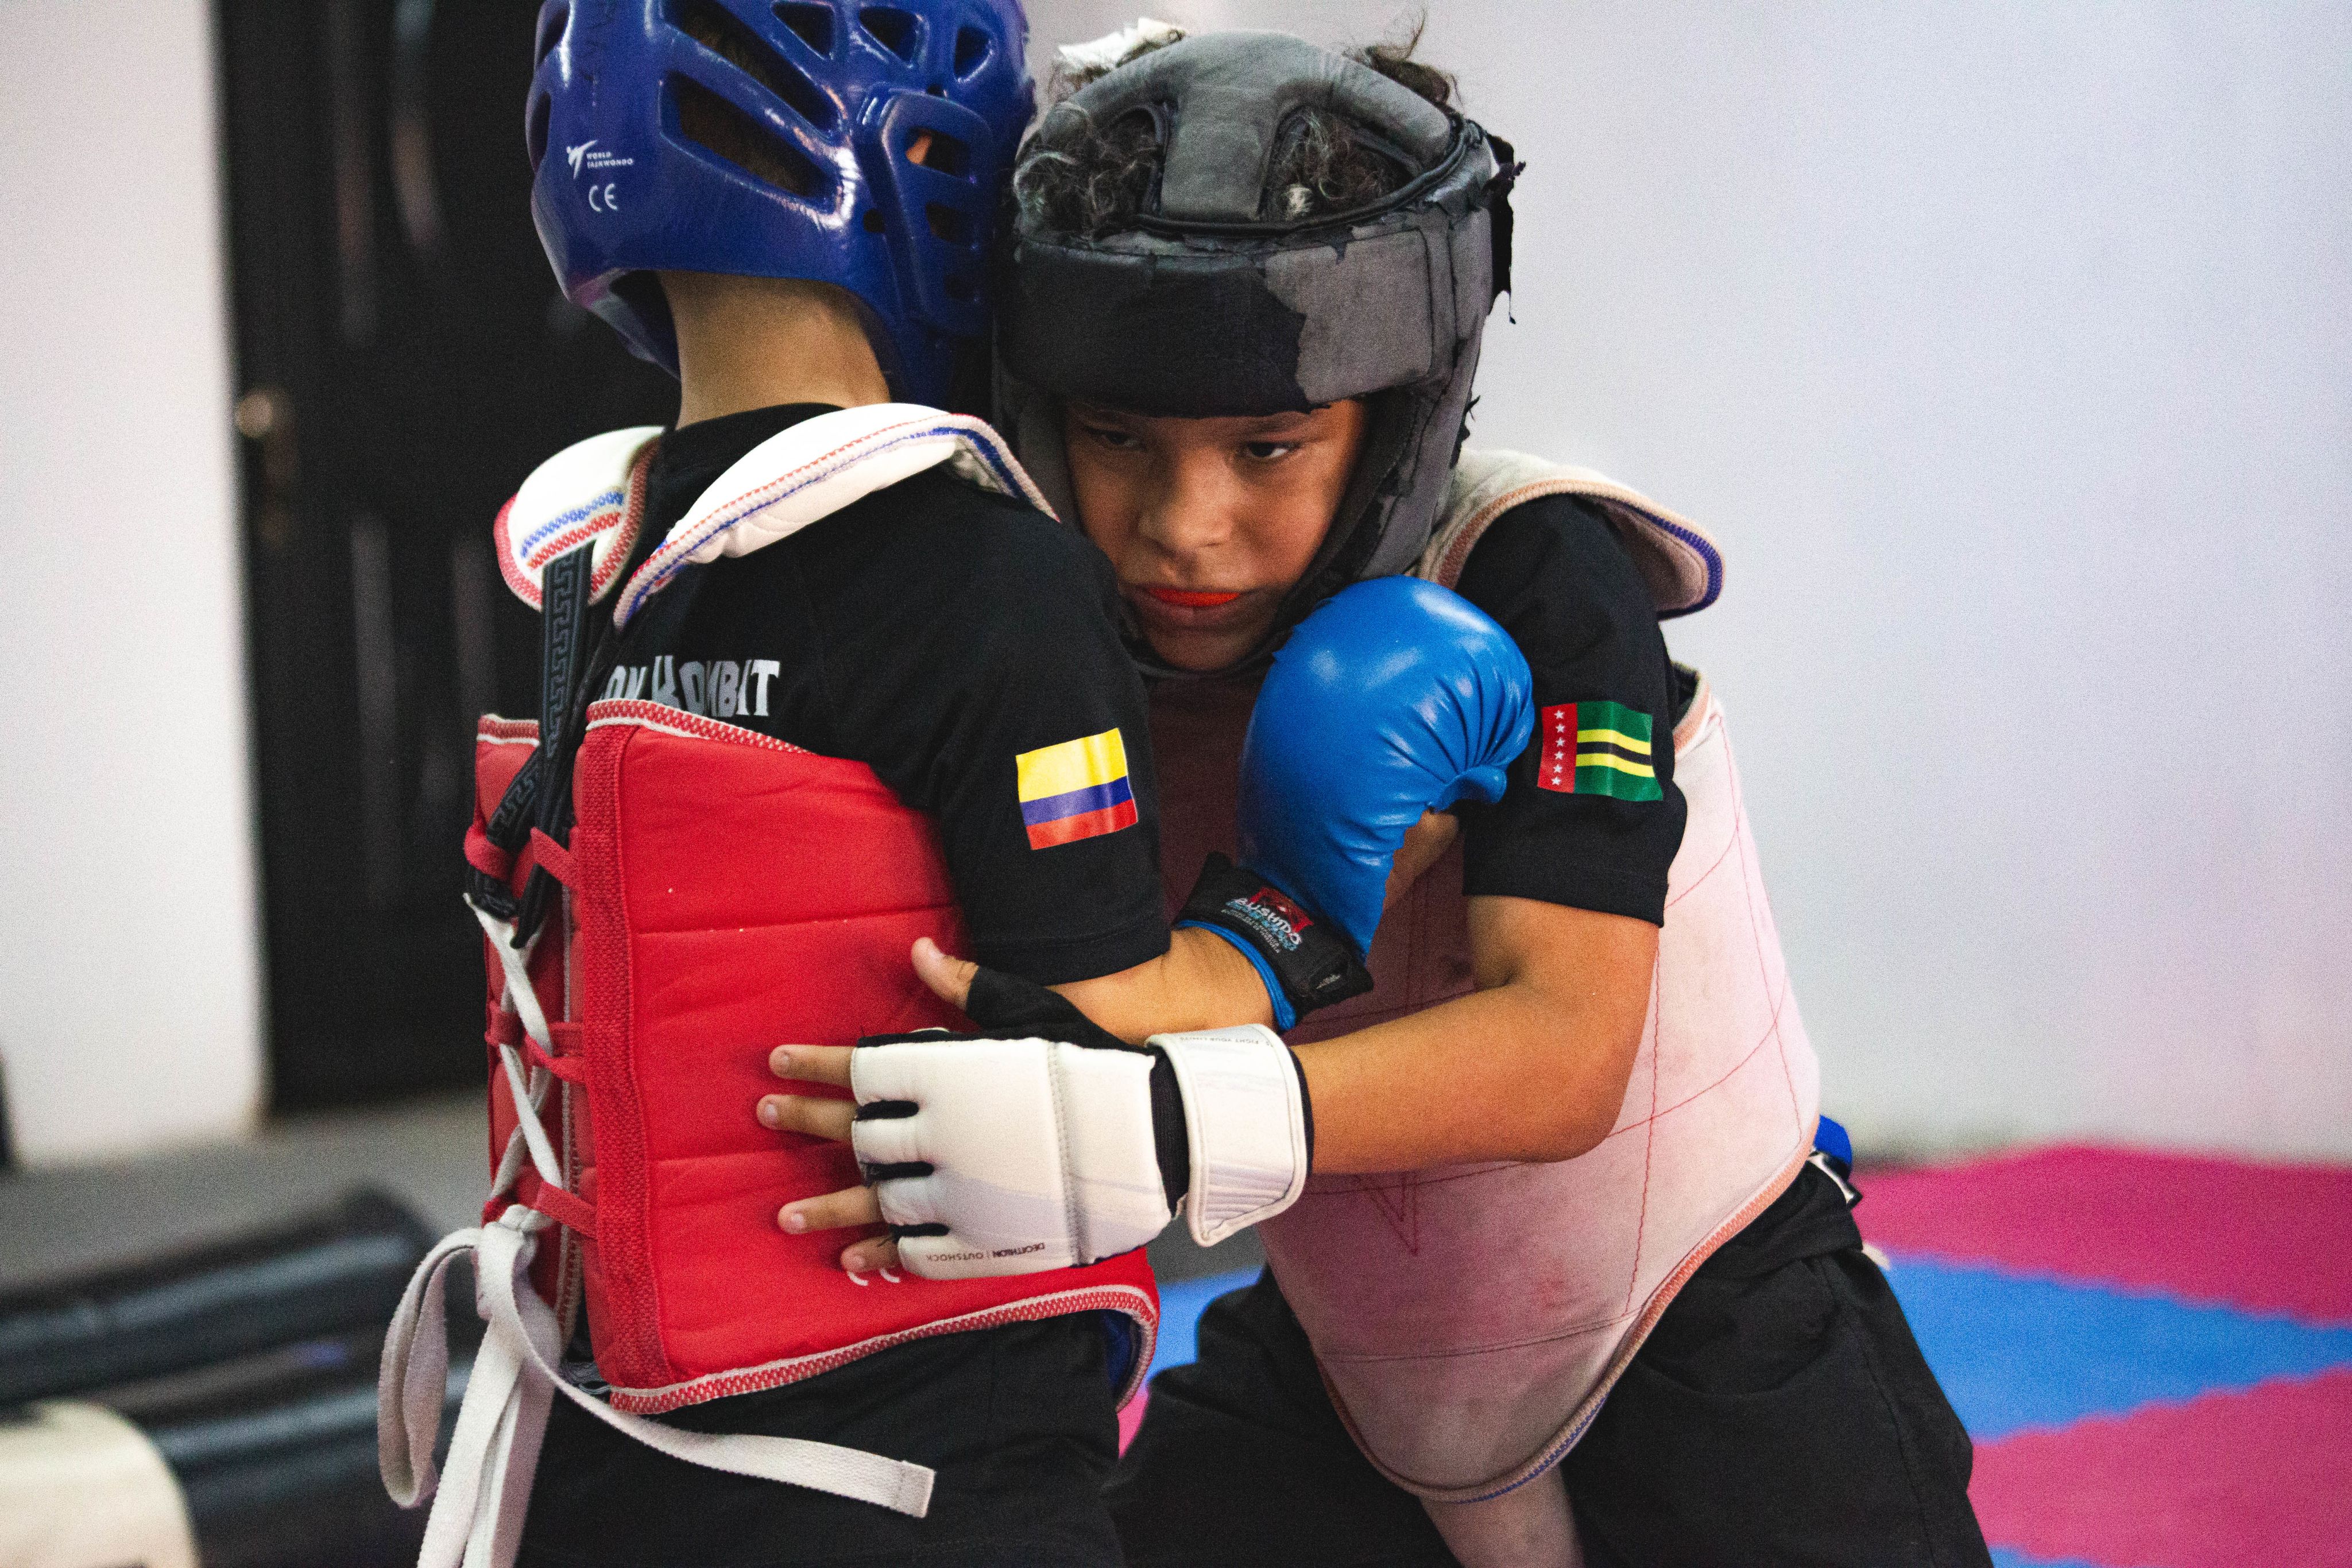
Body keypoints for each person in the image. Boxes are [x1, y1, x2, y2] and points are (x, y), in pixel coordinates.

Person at [764, 26, 1994, 1568]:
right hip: (1352, 1371)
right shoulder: (1050, 633)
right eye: (1119, 437)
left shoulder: (1533, 575)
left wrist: (1152, 1127)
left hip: (1711, 1331)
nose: (1184, 525)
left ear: (1395, 419)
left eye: (1267, 447)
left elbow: (1568, 1053)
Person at [373, 9, 1522, 1568]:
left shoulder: (608, 569)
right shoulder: (986, 576)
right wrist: (1305, 898)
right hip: (918, 1474)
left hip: (600, 1453)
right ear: (922, 153)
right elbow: (1102, 1025)